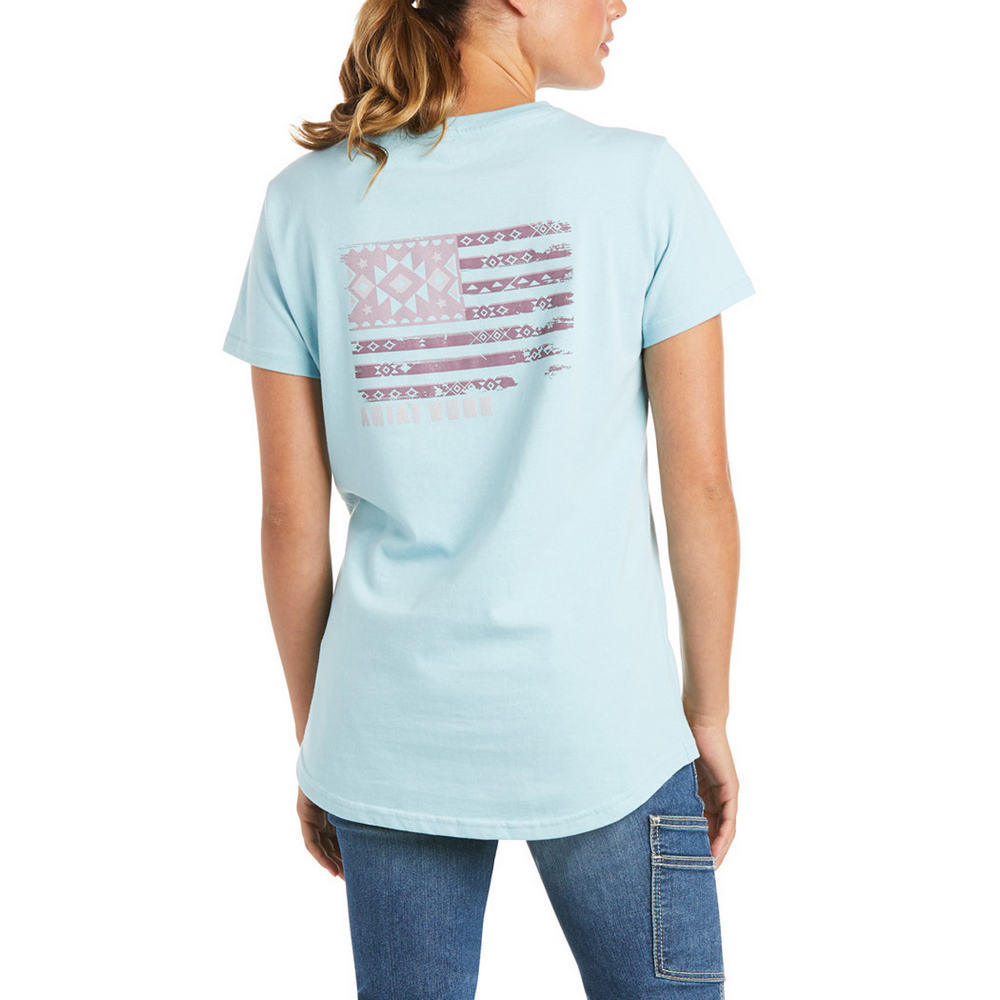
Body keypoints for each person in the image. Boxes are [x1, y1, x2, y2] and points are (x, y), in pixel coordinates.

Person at [222, 0, 753, 996]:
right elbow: (702, 485)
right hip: (608, 726)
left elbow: (289, 516)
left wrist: (322, 737)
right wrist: (709, 715)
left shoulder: (305, 204)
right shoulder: (638, 182)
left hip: (388, 732)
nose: (619, 6)